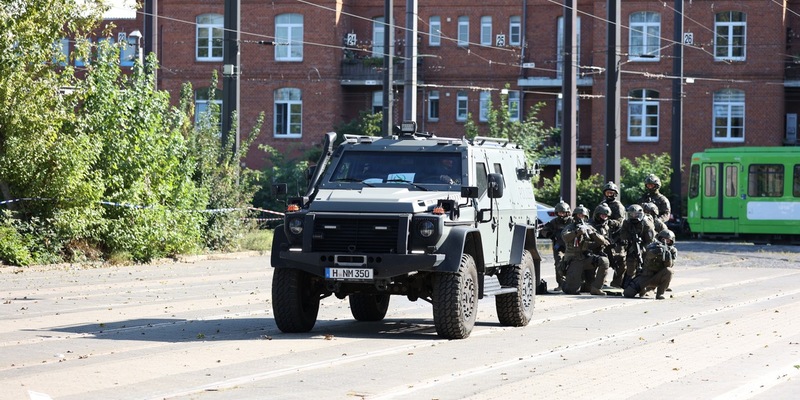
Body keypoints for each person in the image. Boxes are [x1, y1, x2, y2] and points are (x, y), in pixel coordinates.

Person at [560, 205, 609, 296]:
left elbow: (603, 241)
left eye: (583, 216)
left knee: (604, 261)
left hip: (585, 258)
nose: (581, 218)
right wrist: (577, 232)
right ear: (575, 216)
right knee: (572, 291)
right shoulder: (570, 227)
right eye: (579, 215)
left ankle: (596, 288)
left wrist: (593, 234)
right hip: (574, 260)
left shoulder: (589, 226)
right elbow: (565, 237)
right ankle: (566, 283)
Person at [624, 229, 677, 300]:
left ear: (671, 242)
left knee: (669, 271)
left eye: (668, 241)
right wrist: (654, 253)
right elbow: (644, 261)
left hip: (658, 277)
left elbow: (669, 266)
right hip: (646, 276)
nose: (665, 242)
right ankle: (643, 289)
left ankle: (660, 294)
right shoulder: (651, 247)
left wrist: (668, 257)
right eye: (663, 239)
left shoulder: (672, 251)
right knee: (628, 294)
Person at [619, 204, 656, 287]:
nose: (633, 216)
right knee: (630, 261)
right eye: (631, 214)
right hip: (632, 243)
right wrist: (628, 239)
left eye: (635, 214)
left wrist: (641, 249)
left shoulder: (646, 224)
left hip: (645, 244)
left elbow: (650, 241)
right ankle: (628, 280)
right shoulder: (626, 222)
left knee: (645, 263)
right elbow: (622, 233)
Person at [598, 181, 626, 287]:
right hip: (603, 235)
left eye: (611, 193)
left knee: (619, 261)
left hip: (616, 236)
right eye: (607, 193)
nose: (609, 195)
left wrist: (609, 222)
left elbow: (620, 221)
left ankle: (616, 284)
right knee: (603, 259)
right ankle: (601, 282)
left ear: (615, 194)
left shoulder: (618, 206)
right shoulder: (601, 205)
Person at [540, 201, 572, 291]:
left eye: (563, 212)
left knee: (574, 264)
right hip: (559, 246)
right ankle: (561, 284)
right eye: (559, 213)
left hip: (572, 247)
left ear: (567, 212)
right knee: (559, 263)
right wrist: (550, 234)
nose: (561, 215)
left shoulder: (572, 221)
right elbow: (543, 230)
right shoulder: (554, 222)